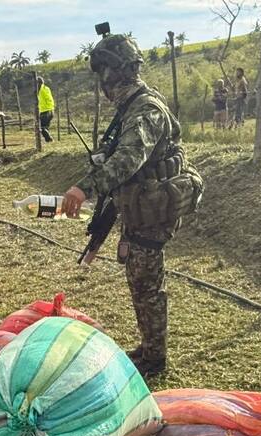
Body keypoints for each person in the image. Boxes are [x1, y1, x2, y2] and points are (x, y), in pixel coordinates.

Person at [61, 33, 203, 377]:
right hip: (139, 205)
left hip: (153, 208)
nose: (102, 84)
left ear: (114, 72)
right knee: (140, 281)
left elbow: (130, 158)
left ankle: (155, 358)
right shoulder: (131, 106)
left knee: (147, 285)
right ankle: (148, 348)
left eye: (103, 74)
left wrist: (85, 188)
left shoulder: (146, 109)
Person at [37, 77, 55, 143]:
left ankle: (49, 140)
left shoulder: (40, 90)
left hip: (45, 111)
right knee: (45, 127)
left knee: (41, 127)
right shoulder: (46, 88)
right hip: (51, 110)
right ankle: (49, 141)